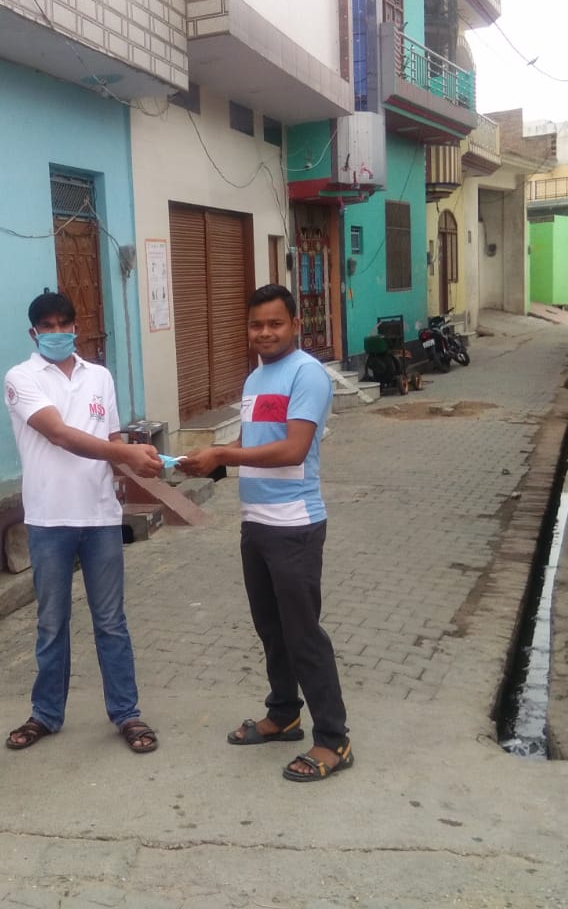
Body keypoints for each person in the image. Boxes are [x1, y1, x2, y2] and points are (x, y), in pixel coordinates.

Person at [182, 284, 353, 782]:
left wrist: (224, 454)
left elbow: (293, 449)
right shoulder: (255, 378)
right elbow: (252, 441)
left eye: (275, 323)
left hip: (295, 524)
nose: (265, 333)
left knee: (304, 634)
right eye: (256, 324)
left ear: (295, 325)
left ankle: (334, 739)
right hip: (255, 522)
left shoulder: (307, 374)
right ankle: (283, 714)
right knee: (271, 629)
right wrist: (207, 464)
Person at [3, 291, 164, 753]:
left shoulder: (100, 377)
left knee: (111, 621)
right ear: (33, 333)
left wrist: (145, 465)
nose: (56, 332)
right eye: (47, 326)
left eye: (64, 324)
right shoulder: (21, 378)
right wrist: (125, 452)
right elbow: (59, 434)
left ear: (76, 327)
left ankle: (127, 713)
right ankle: (46, 713)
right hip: (49, 518)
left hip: (100, 516)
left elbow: (111, 440)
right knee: (52, 623)